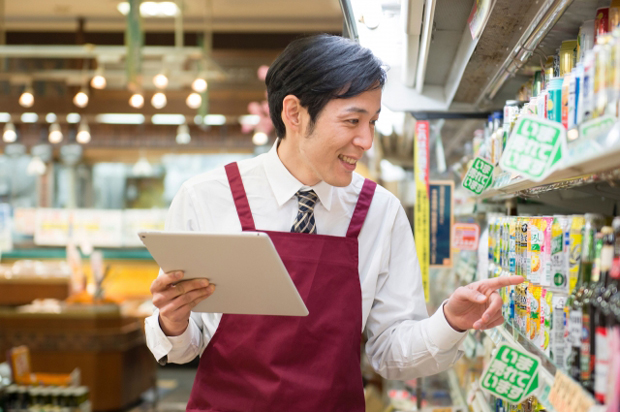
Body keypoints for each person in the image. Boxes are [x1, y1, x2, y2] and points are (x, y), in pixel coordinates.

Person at [145, 34, 522, 411]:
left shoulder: (380, 212)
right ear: (294, 114)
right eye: (353, 120)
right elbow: (184, 347)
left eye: (372, 122)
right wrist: (172, 323)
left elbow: (389, 353)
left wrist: (450, 321)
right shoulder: (206, 198)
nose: (366, 140)